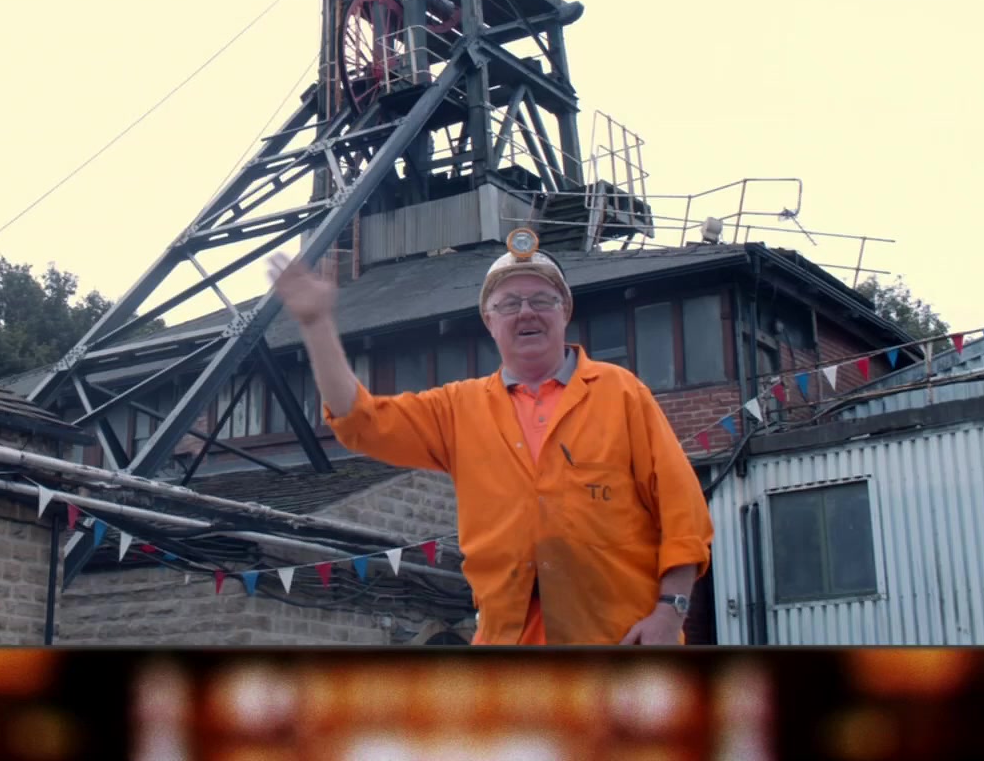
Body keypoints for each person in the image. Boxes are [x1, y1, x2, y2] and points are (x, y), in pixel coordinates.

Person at [268, 239, 714, 645]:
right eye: (509, 304)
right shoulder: (457, 408)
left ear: (565, 312)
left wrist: (670, 611)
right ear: (489, 321)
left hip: (622, 642)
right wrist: (317, 325)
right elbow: (360, 422)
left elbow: (683, 514)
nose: (526, 312)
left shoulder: (622, 392)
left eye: (542, 299)